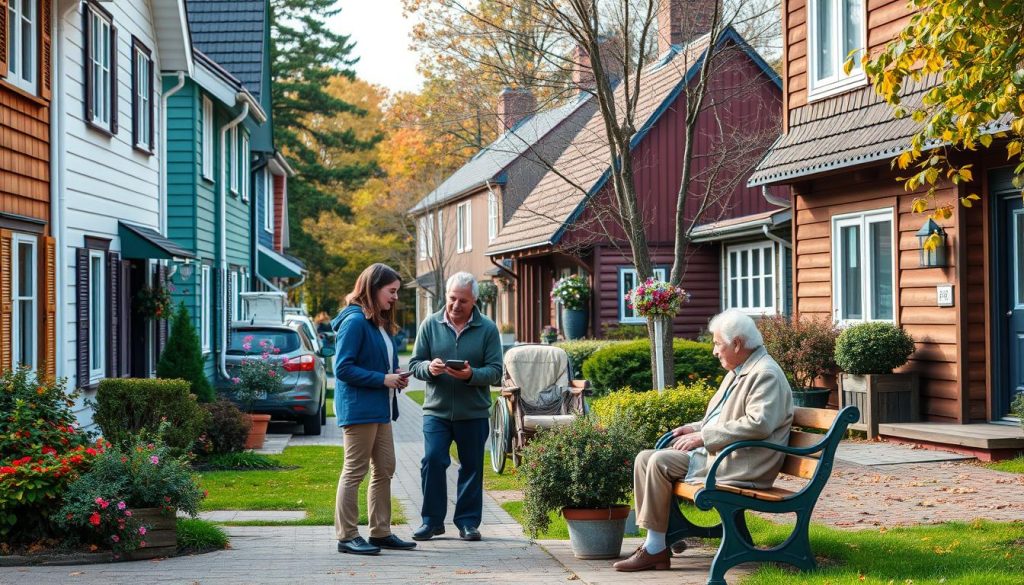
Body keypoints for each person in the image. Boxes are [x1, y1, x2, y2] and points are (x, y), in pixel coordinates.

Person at [613, 309, 794, 572]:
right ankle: (656, 542)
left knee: (660, 461)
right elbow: (724, 417)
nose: (714, 351)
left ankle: (655, 549)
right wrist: (694, 427)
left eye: (717, 344)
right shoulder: (740, 369)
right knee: (645, 458)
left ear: (737, 344)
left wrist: (704, 437)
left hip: (743, 463)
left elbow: (759, 423)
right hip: (723, 455)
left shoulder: (764, 374)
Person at [408, 272, 503, 542]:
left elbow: (496, 371)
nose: (456, 305)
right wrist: (430, 368)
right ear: (446, 297)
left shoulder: (487, 329)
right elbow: (415, 364)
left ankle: (467, 522)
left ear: (474, 301)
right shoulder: (430, 325)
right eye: (452, 298)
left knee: (471, 467)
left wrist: (471, 376)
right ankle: (432, 521)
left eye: (463, 300)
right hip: (436, 412)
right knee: (433, 460)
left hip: (473, 412)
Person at [332, 263, 416, 555]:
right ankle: (346, 536)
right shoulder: (355, 321)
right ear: (373, 288)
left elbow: (373, 361)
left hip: (380, 408)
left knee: (385, 469)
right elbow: (342, 368)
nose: (395, 297)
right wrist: (383, 379)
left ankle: (380, 532)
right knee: (354, 472)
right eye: (391, 291)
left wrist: (394, 375)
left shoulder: (376, 321)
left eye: (396, 292)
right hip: (359, 410)